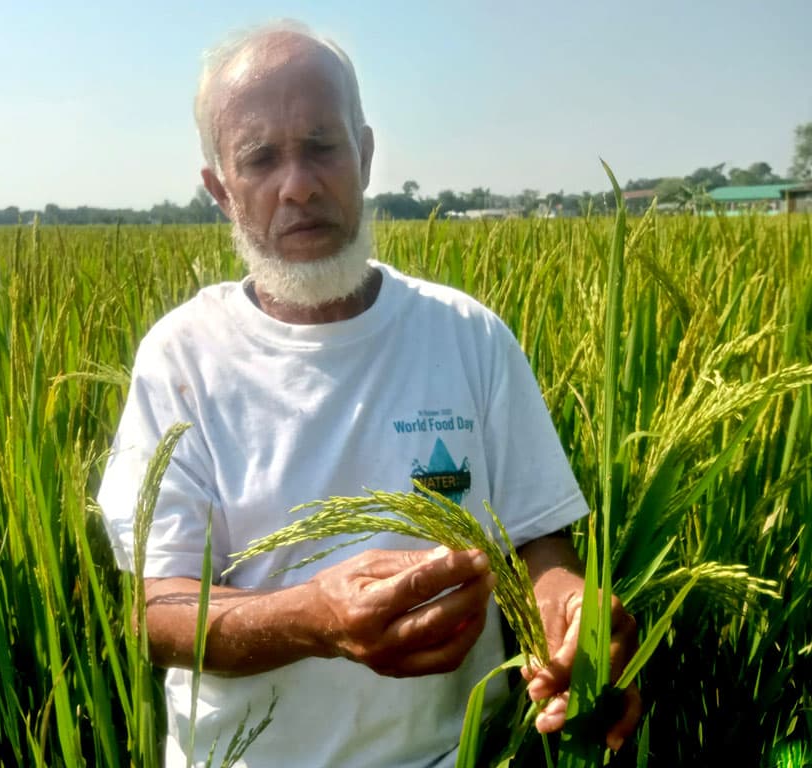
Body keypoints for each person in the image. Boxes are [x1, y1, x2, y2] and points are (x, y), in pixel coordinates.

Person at [98, 20, 641, 767]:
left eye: (322, 145)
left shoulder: (466, 335)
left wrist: (571, 615)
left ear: (365, 153)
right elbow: (155, 613)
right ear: (221, 190)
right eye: (260, 158)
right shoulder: (183, 358)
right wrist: (314, 618)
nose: (299, 184)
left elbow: (540, 543)